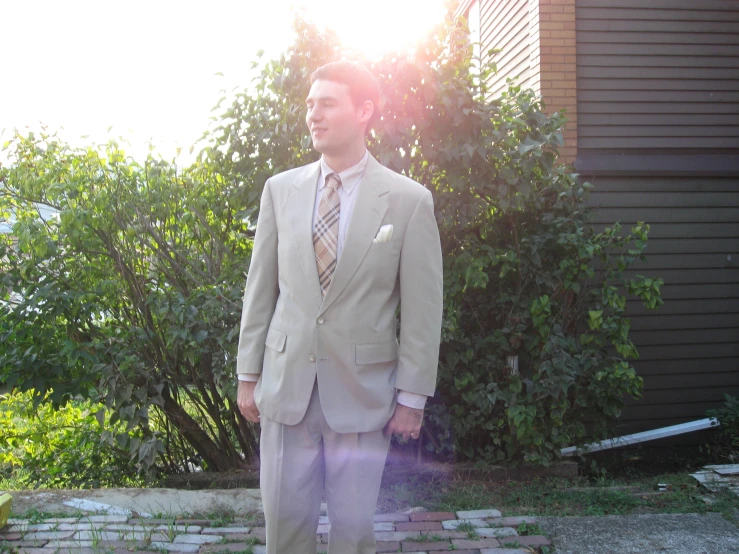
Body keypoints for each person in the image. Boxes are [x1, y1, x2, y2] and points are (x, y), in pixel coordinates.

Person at [236, 60, 443, 554]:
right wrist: (248, 373)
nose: (314, 115)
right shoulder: (279, 191)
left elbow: (422, 308)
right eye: (310, 105)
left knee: (353, 534)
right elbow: (260, 287)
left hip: (362, 394)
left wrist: (412, 398)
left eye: (327, 104)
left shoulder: (408, 201)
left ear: (364, 110)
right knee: (285, 534)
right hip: (286, 388)